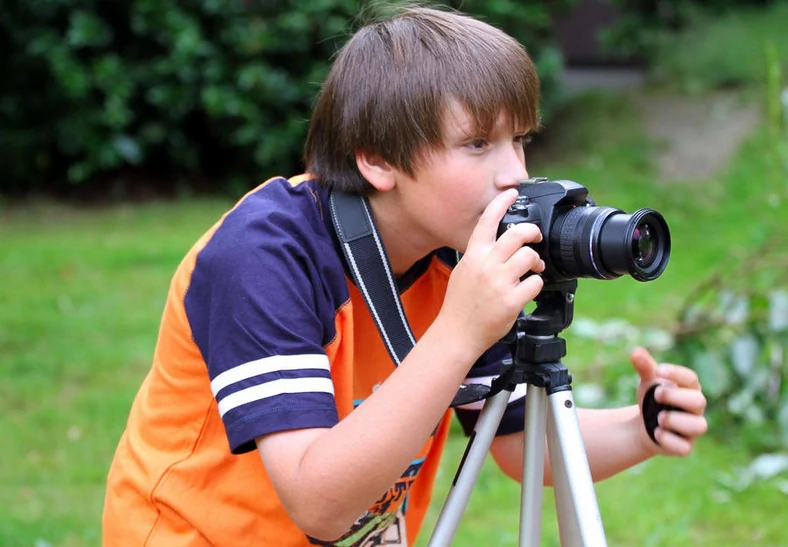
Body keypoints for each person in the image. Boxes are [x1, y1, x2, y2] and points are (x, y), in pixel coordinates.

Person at [102, 5, 708, 546]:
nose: (515, 175)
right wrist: (459, 332)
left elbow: (519, 445)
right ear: (378, 159)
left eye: (519, 140)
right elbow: (319, 506)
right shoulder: (266, 255)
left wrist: (641, 428)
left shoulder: (461, 255)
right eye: (477, 143)